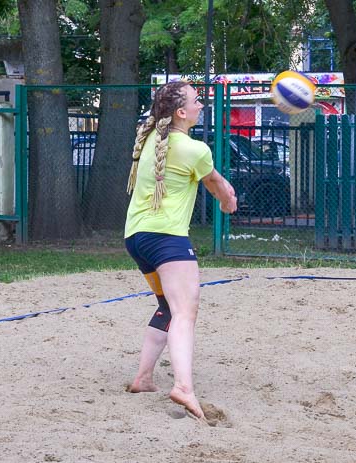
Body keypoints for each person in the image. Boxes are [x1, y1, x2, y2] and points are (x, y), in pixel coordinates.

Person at [123, 81, 237, 420]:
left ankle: (143, 378)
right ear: (181, 112)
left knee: (167, 307)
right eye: (196, 100)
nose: (202, 104)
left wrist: (223, 190)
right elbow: (216, 184)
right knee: (186, 312)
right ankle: (183, 387)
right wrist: (229, 201)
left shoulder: (150, 142)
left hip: (137, 238)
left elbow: (212, 178)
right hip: (166, 240)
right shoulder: (193, 149)